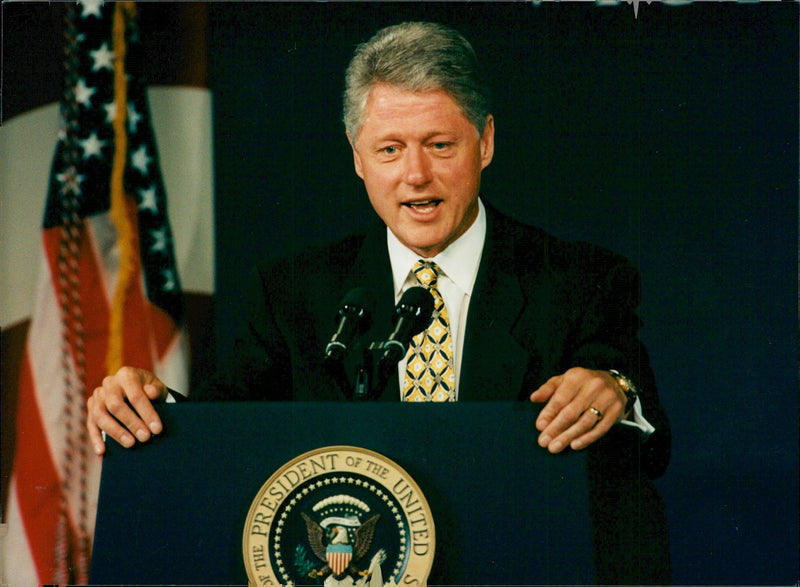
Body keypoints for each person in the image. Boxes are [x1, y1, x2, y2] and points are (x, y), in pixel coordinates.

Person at [88, 21, 669, 477]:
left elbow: (650, 442)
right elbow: (226, 426)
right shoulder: (296, 293)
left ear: (485, 142)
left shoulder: (579, 280)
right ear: (357, 157)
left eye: (440, 145)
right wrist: (150, 405)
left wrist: (615, 390)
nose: (415, 175)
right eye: (389, 149)